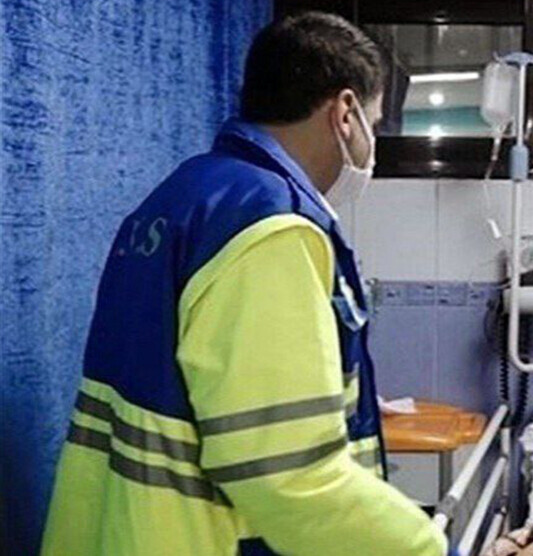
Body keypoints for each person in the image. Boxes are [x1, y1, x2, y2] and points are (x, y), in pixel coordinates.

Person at [41, 12, 447, 556]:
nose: (372, 147)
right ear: (346, 113)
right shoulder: (271, 229)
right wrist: (427, 547)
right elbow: (290, 475)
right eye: (375, 122)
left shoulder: (181, 196)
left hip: (110, 531)